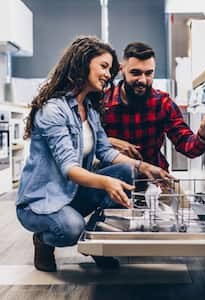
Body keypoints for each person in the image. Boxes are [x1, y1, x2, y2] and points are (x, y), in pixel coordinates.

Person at [16, 36, 171, 273]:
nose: (109, 74)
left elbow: (106, 151)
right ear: (82, 64)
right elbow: (70, 168)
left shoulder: (89, 108)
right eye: (104, 66)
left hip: (70, 193)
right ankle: (43, 240)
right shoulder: (53, 110)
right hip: (41, 201)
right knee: (71, 229)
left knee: (127, 170)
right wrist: (106, 182)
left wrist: (145, 168)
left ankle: (99, 244)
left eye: (110, 68)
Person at [102, 42, 205, 171]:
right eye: (136, 73)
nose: (143, 80)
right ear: (121, 69)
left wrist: (202, 134)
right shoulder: (103, 103)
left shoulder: (162, 103)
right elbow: (85, 144)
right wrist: (108, 142)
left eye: (149, 73)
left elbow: (186, 145)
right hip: (113, 180)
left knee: (176, 190)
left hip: (156, 177)